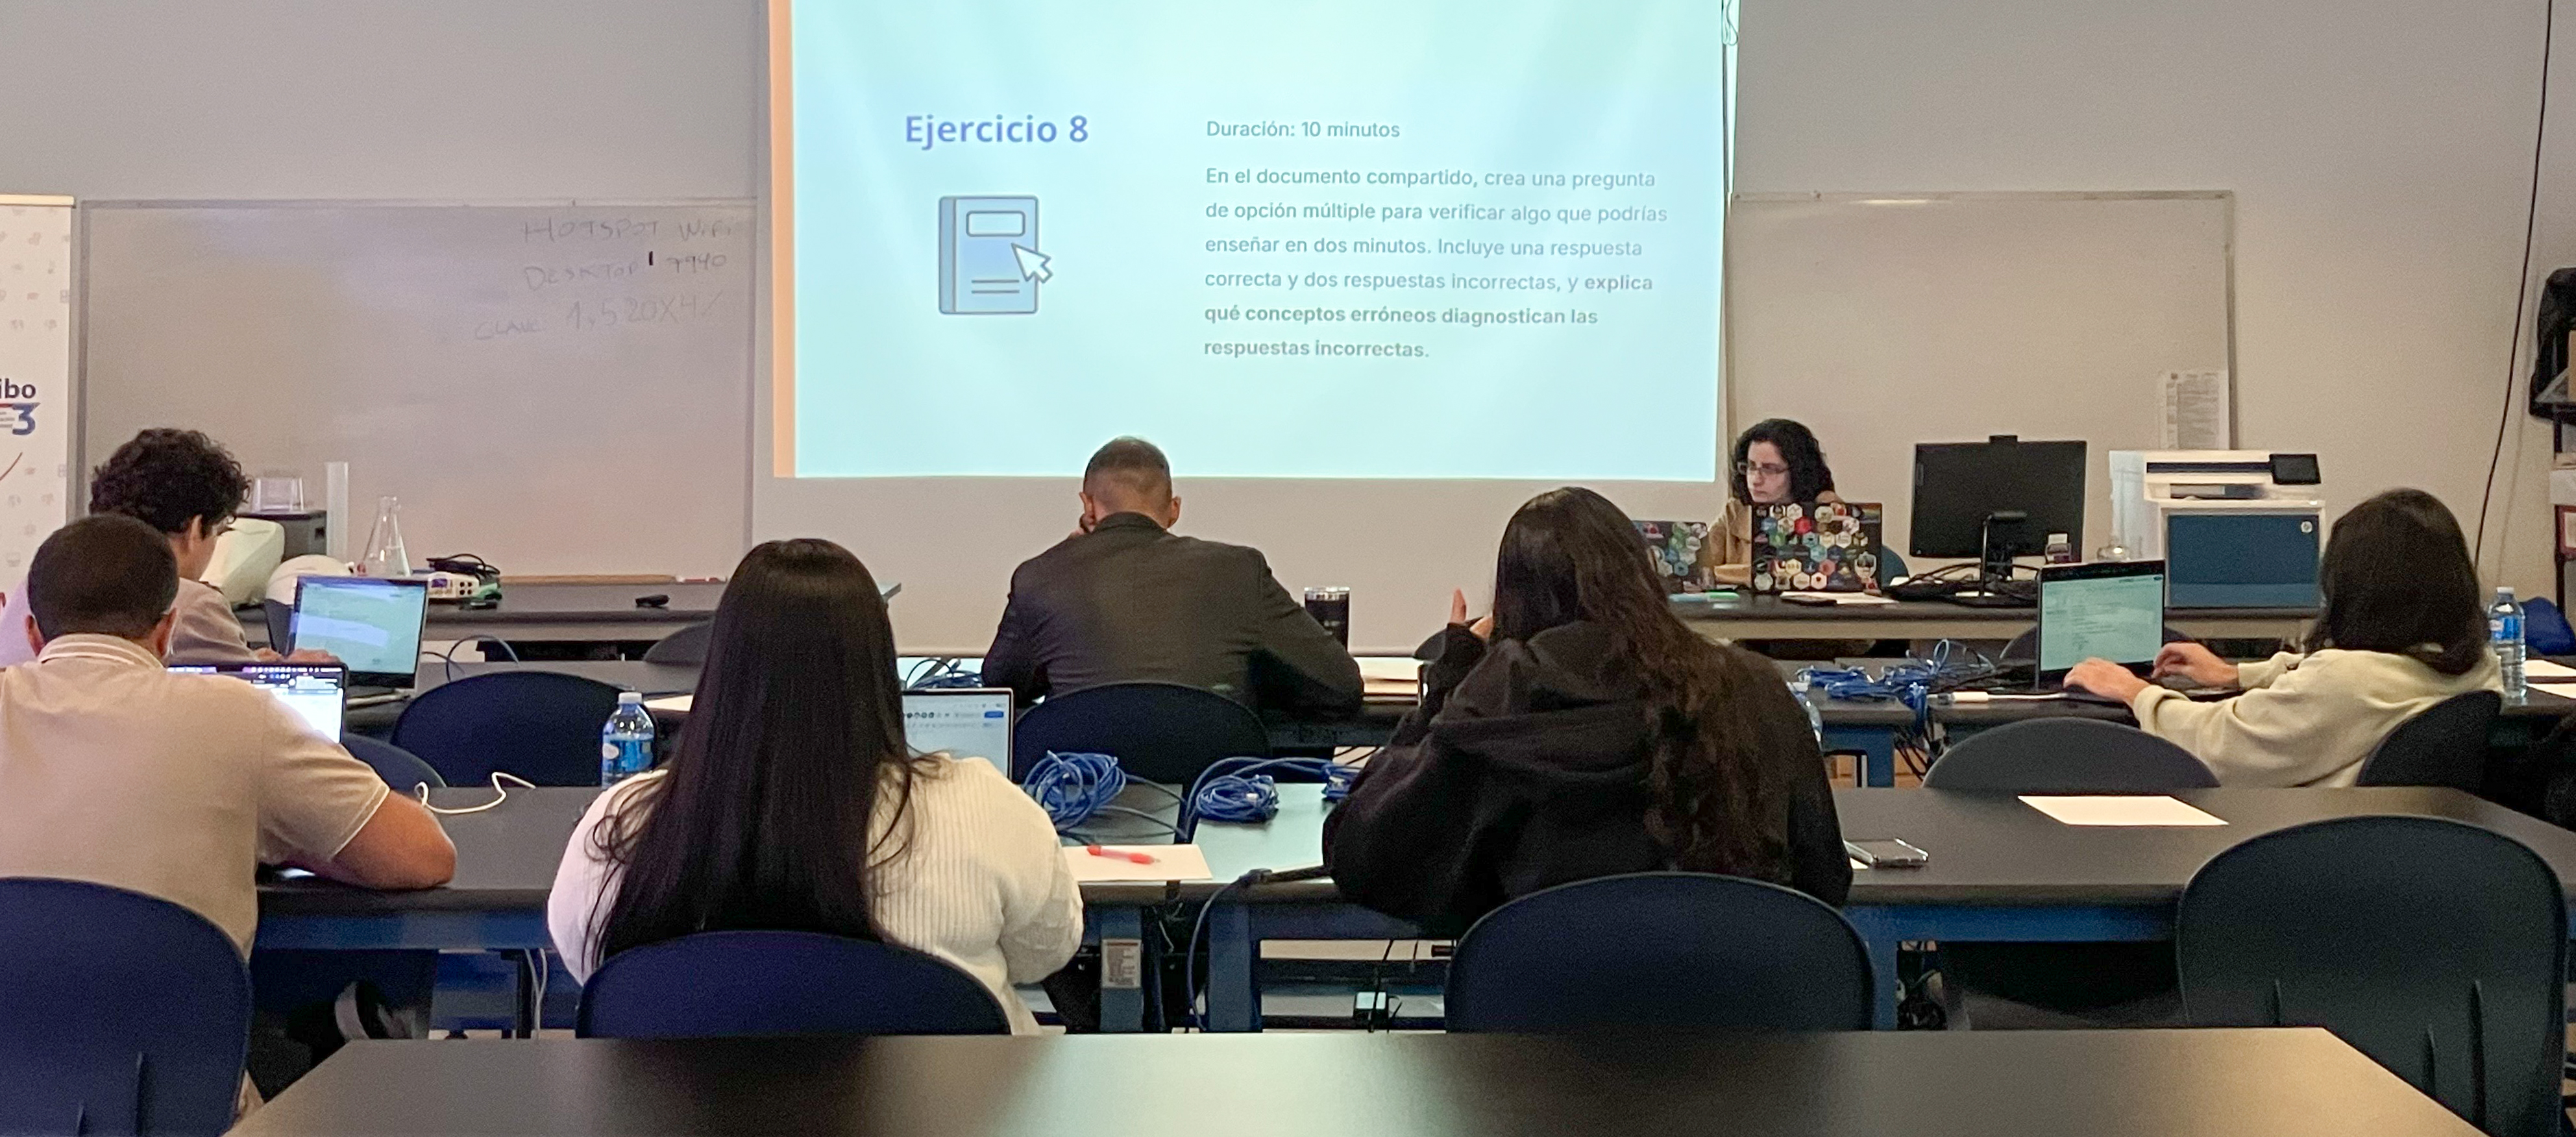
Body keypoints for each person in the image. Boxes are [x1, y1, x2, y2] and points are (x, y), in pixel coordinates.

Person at [549, 538, 1081, 1031]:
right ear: (877, 668)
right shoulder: (988, 808)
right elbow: (1046, 952)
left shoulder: (622, 821)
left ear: (721, 666)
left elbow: (589, 962)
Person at [1323, 485, 1850, 936]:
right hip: (1744, 1037)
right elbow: (1824, 878)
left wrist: (1447, 681)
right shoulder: (1751, 687)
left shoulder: (1497, 695)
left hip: (1528, 1040)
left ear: (1512, 601)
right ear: (1642, 576)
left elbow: (1363, 857)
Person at [0, 515, 456, 957]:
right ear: (166, 631)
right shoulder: (239, 713)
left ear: (33, 634)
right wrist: (284, 837)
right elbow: (423, 856)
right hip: (176, 1029)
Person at [2066, 487, 2501, 786]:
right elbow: (2376, 674)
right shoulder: (2477, 666)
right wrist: (2237, 674)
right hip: (2404, 851)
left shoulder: (2344, 682)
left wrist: (2135, 691)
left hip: (2305, 850)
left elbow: (2214, 745)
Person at [981, 436, 1362, 712]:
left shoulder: (1039, 576)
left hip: (1083, 793)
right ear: (1174, 509)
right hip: (1215, 797)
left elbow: (1001, 687)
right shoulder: (1239, 569)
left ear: (1088, 506)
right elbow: (1339, 685)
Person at [0, 427, 278, 668]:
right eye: (218, 532)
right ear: (195, 529)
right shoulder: (192, 603)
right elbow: (242, 698)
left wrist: (251, 663)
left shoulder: (36, 586)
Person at [1704, 417, 1842, 583]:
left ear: (1798, 473)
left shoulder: (1823, 510)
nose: (1755, 480)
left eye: (1769, 469)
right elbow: (1701, 569)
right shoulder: (1736, 510)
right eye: (1751, 466)